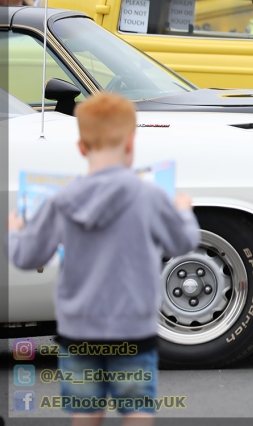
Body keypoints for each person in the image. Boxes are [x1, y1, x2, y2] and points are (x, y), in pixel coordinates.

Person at [8, 93, 199, 423]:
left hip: (79, 330)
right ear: (131, 142)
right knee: (137, 408)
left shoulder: (61, 201)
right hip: (133, 329)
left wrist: (14, 231)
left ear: (81, 147)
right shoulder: (149, 196)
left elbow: (27, 256)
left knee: (85, 411)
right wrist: (183, 212)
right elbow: (183, 242)